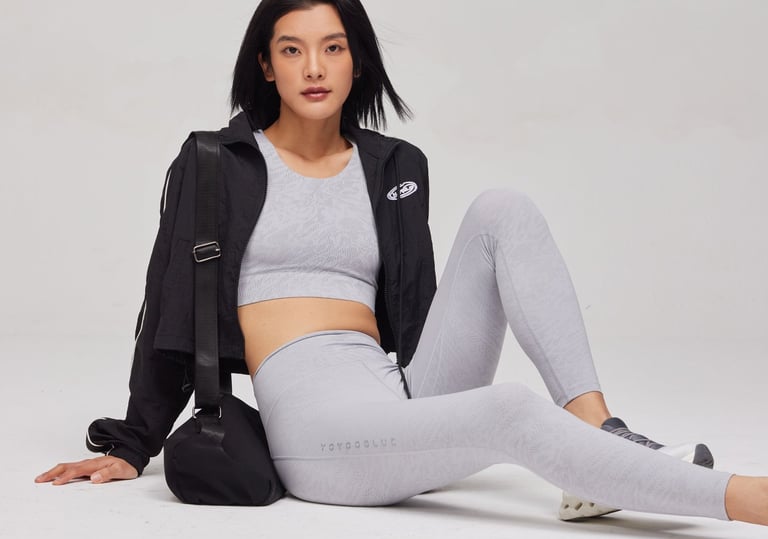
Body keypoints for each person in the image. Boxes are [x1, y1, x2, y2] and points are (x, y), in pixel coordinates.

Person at [36, 0, 767, 527]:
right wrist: (135, 442)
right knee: (511, 408)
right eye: (291, 50)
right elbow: (169, 298)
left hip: (400, 387)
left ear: (357, 59)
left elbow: (417, 300)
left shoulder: (394, 165)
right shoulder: (215, 162)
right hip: (317, 425)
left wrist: (428, 388)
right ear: (265, 63)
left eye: (333, 47)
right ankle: (745, 498)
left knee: (503, 208)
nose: (314, 67)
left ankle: (601, 434)